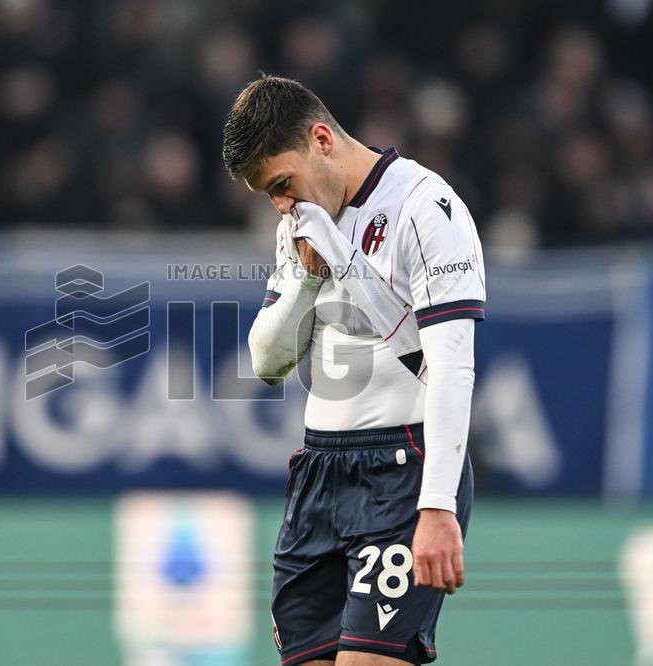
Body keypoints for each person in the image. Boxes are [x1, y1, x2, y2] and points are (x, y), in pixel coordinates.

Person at [222, 75, 485, 665]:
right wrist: (308, 277)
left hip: (402, 470)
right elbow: (267, 362)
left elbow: (447, 364)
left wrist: (438, 505)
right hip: (319, 473)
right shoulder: (301, 222)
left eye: (282, 185)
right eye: (268, 195)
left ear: (321, 140)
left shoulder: (426, 207)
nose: (281, 205)